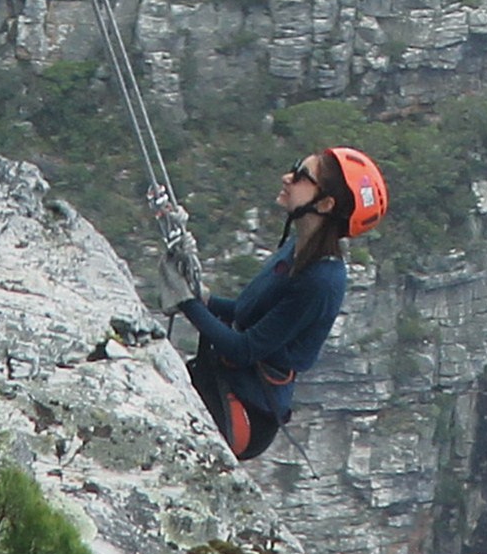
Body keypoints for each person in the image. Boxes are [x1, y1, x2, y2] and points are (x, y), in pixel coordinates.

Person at [157, 147, 388, 461]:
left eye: (301, 176)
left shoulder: (321, 281)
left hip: (243, 412)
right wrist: (203, 299)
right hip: (227, 386)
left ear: (325, 203)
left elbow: (243, 348)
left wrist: (187, 301)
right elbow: (245, 313)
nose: (287, 178)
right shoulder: (299, 249)